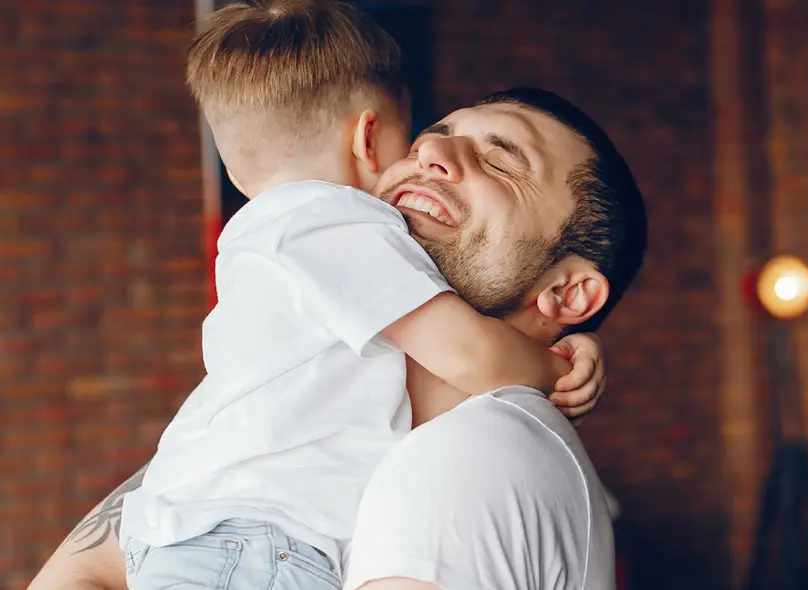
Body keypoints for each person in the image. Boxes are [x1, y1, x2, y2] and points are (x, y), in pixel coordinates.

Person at [27, 26, 648, 590]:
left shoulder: (474, 454)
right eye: (434, 136)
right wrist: (555, 361)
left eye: (498, 160)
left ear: (567, 294)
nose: (433, 153)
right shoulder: (321, 391)